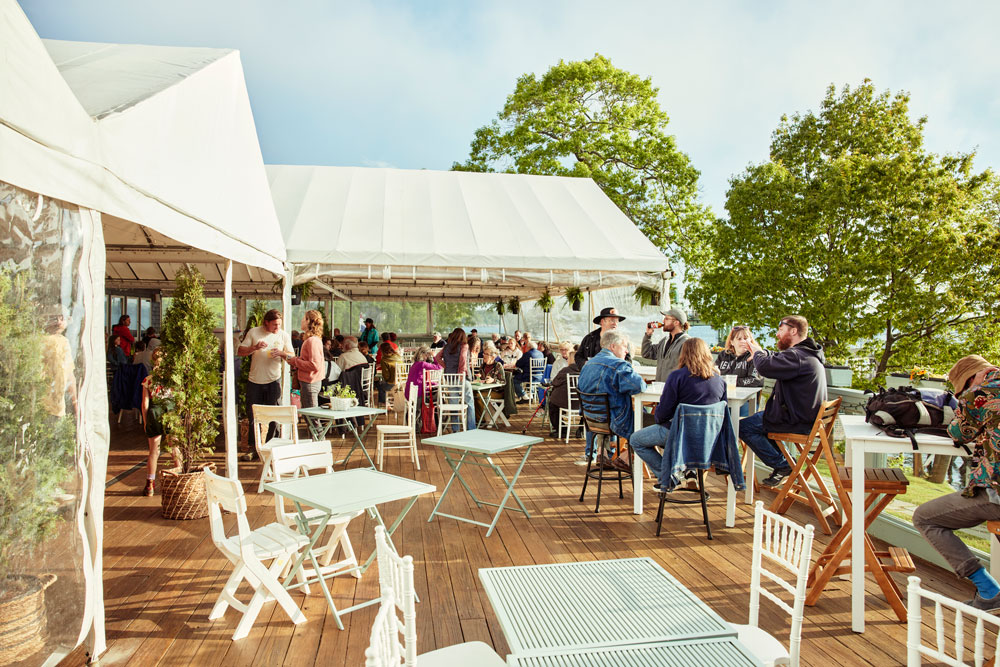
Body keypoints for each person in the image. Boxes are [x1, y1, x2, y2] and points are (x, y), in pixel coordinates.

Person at [913, 355, 1000, 611]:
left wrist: (968, 397)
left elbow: (959, 433)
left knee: (925, 518)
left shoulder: (979, 393)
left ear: (973, 378)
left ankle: (989, 590)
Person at [739, 315, 827, 487]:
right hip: (806, 419)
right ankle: (786, 463)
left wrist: (756, 352)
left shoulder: (797, 356)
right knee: (760, 423)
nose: (778, 334)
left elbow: (765, 367)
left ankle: (784, 465)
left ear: (793, 331)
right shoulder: (805, 354)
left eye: (781, 329)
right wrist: (760, 352)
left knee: (743, 427)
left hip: (796, 422)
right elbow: (775, 358)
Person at [631, 338, 727, 487]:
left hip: (680, 434)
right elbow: (723, 414)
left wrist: (661, 421)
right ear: (707, 354)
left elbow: (662, 413)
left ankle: (668, 477)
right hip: (708, 439)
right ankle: (689, 470)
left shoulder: (677, 377)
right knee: (670, 435)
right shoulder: (720, 381)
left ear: (683, 354)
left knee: (636, 440)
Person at [577, 330, 646, 468]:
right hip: (613, 422)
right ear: (613, 346)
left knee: (607, 407)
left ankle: (602, 453)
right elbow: (639, 386)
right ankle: (625, 458)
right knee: (650, 423)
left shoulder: (587, 365)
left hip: (591, 420)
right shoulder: (618, 365)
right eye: (624, 346)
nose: (627, 351)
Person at [237, 309, 293, 461]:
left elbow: (292, 356)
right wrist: (254, 348)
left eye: (279, 325)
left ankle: (271, 447)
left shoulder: (283, 335)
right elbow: (240, 351)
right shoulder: (254, 332)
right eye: (274, 325)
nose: (277, 328)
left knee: (274, 415)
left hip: (274, 380)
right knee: (253, 415)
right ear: (266, 322)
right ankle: (254, 449)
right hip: (255, 380)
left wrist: (281, 353)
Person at [140, 348, 181, 496]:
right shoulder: (172, 379)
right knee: (174, 448)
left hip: (154, 412)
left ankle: (150, 484)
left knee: (153, 451)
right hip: (169, 412)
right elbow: (179, 399)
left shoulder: (148, 380)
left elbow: (144, 404)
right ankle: (180, 478)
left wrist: (145, 422)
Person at [715, 325, 764, 416]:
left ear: (751, 341)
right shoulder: (723, 355)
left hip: (746, 401)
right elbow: (713, 374)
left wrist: (731, 382)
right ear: (732, 342)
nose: (743, 341)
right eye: (739, 339)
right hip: (722, 398)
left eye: (746, 338)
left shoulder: (754, 356)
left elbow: (755, 380)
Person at [434, 328, 476, 430]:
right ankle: (471, 428)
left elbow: (437, 357)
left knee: (453, 404)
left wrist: (446, 366)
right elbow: (462, 359)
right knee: (469, 402)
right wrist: (461, 374)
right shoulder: (464, 346)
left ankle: (455, 429)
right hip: (462, 379)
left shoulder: (447, 346)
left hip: (450, 379)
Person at [281, 310, 325, 409]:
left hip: (310, 383)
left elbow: (314, 365)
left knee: (311, 417)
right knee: (310, 416)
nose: (301, 321)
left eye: (303, 318)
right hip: (310, 382)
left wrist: (294, 360)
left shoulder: (312, 341)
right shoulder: (313, 340)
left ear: (308, 321)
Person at [41, 310, 77, 418]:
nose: (58, 322)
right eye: (55, 318)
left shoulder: (63, 341)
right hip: (44, 404)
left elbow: (69, 375)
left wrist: (75, 402)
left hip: (57, 404)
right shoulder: (42, 340)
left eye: (62, 318)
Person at [642, 308, 692, 382]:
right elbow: (646, 353)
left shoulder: (687, 343)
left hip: (675, 389)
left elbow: (690, 370)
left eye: (667, 319)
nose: (663, 321)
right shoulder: (664, 341)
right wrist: (648, 334)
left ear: (676, 322)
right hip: (661, 388)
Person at [548, 349, 582, 433]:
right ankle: (581, 430)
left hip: (566, 402)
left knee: (552, 405)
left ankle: (561, 430)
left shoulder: (565, 371)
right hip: (582, 403)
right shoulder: (585, 371)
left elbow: (555, 382)